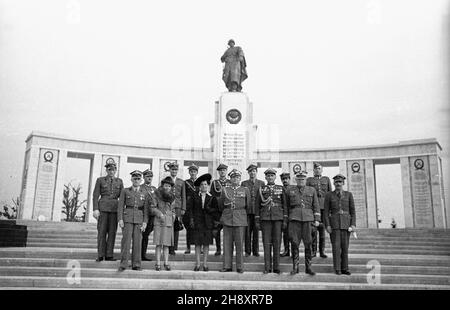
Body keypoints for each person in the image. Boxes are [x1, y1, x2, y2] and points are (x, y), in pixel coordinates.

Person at [285, 171, 321, 276]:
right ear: (296, 180)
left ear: (306, 180)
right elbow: (287, 206)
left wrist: (317, 219)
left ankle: (308, 267)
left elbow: (316, 205)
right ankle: (295, 267)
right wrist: (287, 219)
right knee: (295, 243)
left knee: (308, 244)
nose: (301, 181)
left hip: (308, 220)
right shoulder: (290, 190)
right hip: (294, 219)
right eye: (299, 179)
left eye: (303, 179)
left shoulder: (312, 190)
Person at [117, 170, 151, 271]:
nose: (136, 181)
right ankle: (123, 264)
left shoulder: (144, 192)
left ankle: (136, 264)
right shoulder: (125, 191)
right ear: (131, 179)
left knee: (137, 243)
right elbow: (120, 206)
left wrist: (145, 222)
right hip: (127, 218)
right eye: (134, 178)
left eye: (138, 179)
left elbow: (146, 209)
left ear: (141, 180)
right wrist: (120, 219)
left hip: (139, 219)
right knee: (126, 242)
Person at [255, 168, 288, 274]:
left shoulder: (281, 188)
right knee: (266, 243)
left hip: (278, 219)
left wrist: (285, 219)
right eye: (268, 176)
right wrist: (257, 220)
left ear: (275, 177)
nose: (270, 177)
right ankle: (267, 267)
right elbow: (257, 206)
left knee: (277, 243)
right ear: (265, 177)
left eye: (272, 176)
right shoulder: (261, 189)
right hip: (265, 219)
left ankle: (277, 267)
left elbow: (285, 205)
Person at [324, 174, 356, 275]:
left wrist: (353, 225)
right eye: (336, 182)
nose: (338, 184)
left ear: (343, 183)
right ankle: (337, 268)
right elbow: (325, 212)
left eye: (340, 182)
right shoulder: (329, 195)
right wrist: (327, 225)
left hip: (346, 225)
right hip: (334, 225)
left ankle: (345, 268)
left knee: (345, 248)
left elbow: (353, 211)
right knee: (336, 247)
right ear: (333, 183)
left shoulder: (349, 194)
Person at [187, 173, 220, 272]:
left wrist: (211, 211)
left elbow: (216, 211)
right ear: (199, 186)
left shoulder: (212, 197)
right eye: (202, 185)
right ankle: (197, 264)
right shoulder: (194, 196)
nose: (204, 186)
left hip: (208, 224)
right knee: (197, 244)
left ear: (208, 186)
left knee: (206, 244)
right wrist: (191, 220)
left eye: (205, 184)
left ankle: (205, 264)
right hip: (197, 223)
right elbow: (190, 209)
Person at [219, 169, 249, 273]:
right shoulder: (225, 190)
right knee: (227, 244)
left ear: (240, 179)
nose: (235, 179)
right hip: (227, 219)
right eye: (233, 177)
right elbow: (220, 205)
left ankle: (240, 266)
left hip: (240, 219)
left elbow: (248, 206)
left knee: (240, 244)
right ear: (230, 179)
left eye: (237, 177)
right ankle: (227, 266)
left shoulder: (245, 190)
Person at [92, 161, 123, 262]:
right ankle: (101, 254)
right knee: (102, 232)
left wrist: (122, 213)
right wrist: (95, 209)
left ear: (116, 170)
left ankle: (109, 254)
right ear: (106, 170)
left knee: (112, 232)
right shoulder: (100, 180)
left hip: (114, 209)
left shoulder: (119, 181)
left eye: (113, 170)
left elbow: (122, 198)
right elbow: (96, 195)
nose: (111, 171)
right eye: (109, 169)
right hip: (103, 209)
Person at [306, 162, 332, 258]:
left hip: (324, 208)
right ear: (313, 170)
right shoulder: (309, 180)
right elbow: (307, 194)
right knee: (313, 230)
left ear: (322, 170)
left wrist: (329, 209)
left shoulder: (326, 179)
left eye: (319, 168)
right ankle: (313, 251)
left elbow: (329, 195)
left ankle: (322, 251)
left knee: (322, 231)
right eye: (316, 168)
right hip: (313, 209)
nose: (317, 170)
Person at [151, 176, 177, 271]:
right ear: (162, 186)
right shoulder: (157, 195)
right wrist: (159, 214)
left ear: (171, 188)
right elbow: (153, 207)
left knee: (166, 245)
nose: (167, 188)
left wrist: (173, 216)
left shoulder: (172, 197)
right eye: (165, 185)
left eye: (169, 186)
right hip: (159, 221)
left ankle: (166, 263)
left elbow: (173, 209)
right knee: (158, 244)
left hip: (168, 222)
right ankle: (157, 263)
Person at [241, 164, 264, 257]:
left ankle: (255, 251)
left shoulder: (261, 183)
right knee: (247, 232)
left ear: (256, 172)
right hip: (247, 211)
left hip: (257, 211)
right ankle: (247, 251)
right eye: (250, 171)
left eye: (254, 171)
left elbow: (263, 198)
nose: (252, 173)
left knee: (256, 232)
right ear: (248, 173)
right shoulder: (244, 183)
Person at [210, 163, 232, 256]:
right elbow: (212, 197)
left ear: (226, 171)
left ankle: (227, 250)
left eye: (224, 170)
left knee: (228, 231)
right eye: (221, 170)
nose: (222, 172)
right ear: (219, 172)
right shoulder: (215, 183)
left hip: (227, 210)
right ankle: (218, 249)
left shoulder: (230, 183)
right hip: (218, 211)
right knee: (216, 231)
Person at [167, 162, 186, 256]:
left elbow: (183, 196)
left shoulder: (181, 182)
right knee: (168, 226)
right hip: (168, 206)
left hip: (178, 206)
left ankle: (173, 248)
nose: (174, 171)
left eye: (175, 170)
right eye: (172, 169)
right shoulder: (165, 180)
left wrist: (183, 208)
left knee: (176, 227)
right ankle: (168, 246)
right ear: (169, 170)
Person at [141, 169, 157, 261]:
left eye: (151, 176)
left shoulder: (154, 189)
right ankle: (140, 254)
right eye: (147, 176)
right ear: (144, 177)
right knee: (142, 236)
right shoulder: (141, 188)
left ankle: (143, 254)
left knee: (146, 235)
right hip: (143, 215)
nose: (149, 178)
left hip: (152, 216)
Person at [183, 163, 199, 254]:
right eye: (191, 171)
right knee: (189, 229)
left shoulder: (200, 182)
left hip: (198, 209)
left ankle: (198, 247)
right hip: (189, 209)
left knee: (198, 229)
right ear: (189, 172)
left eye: (194, 171)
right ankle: (188, 247)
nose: (193, 173)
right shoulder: (186, 183)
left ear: (197, 172)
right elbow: (184, 196)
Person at [279, 172, 292, 257]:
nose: (285, 180)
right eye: (283, 179)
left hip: (292, 213)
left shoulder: (293, 189)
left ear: (289, 179)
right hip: (283, 214)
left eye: (286, 179)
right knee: (285, 233)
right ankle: (286, 250)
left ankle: (293, 251)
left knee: (293, 234)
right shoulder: (279, 189)